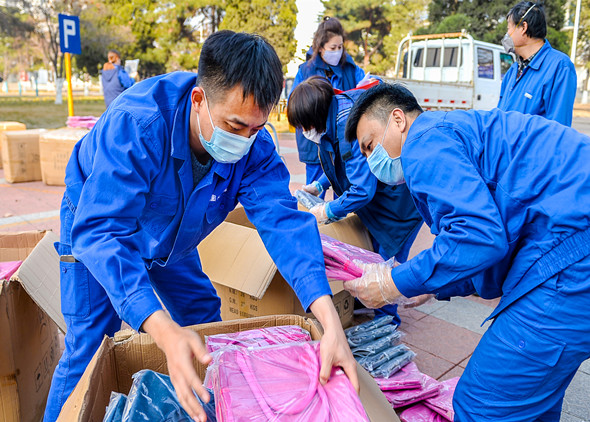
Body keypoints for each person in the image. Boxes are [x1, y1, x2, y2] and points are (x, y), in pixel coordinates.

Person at [44, 31, 357, 422]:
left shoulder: (253, 145)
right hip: (97, 219)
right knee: (90, 344)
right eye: (235, 126)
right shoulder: (138, 124)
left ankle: (209, 408)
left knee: (205, 321)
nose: (244, 141)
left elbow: (284, 223)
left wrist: (330, 322)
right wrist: (162, 330)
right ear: (198, 100)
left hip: (172, 232)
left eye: (256, 128)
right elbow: (102, 230)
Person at [343, 82, 590, 421]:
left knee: (481, 403)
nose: (372, 160)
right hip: (565, 244)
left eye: (370, 145)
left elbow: (480, 238)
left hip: (571, 259)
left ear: (398, 120)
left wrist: (394, 282)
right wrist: (432, 286)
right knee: (532, 400)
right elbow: (490, 240)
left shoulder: (423, 143)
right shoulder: (450, 131)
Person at [287, 76, 423, 323]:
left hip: (399, 205)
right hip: (382, 202)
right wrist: (319, 185)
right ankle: (370, 302)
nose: (305, 132)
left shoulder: (346, 126)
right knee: (371, 256)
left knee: (386, 264)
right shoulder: (332, 117)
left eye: (305, 125)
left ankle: (386, 322)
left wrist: (327, 210)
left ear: (315, 116)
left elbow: (362, 189)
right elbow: (341, 164)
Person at [290, 17, 366, 192]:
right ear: (320, 47)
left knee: (345, 188)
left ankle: (338, 210)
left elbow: (365, 91)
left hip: (344, 139)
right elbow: (297, 105)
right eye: (333, 48)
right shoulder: (305, 70)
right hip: (314, 142)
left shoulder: (351, 69)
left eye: (340, 47)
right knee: (314, 189)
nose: (337, 51)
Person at [498, 1, 577, 126]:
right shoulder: (513, 71)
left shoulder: (559, 67)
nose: (506, 35)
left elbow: (558, 127)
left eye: (509, 28)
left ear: (523, 28)